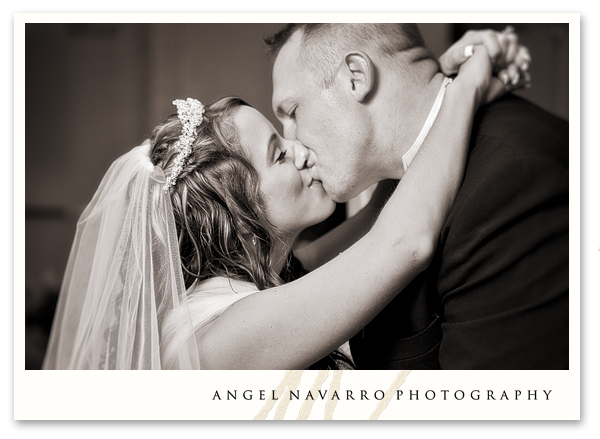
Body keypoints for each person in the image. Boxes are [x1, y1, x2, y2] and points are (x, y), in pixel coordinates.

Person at [42, 29, 524, 370]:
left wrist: (428, 79)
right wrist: (469, 84)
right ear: (235, 209)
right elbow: (403, 242)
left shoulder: (269, 280)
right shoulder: (217, 335)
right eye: (277, 153)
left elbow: (390, 205)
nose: (298, 148)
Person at [266, 24, 569, 369]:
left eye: (292, 112)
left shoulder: (512, 181)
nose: (292, 141)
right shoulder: (399, 182)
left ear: (356, 77)